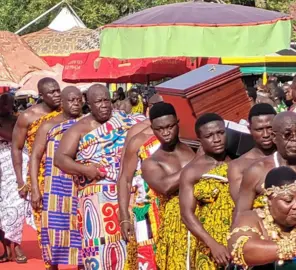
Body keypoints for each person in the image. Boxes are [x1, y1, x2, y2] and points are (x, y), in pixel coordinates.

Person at [54, 84, 145, 269]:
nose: (104, 105)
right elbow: (60, 159)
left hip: (127, 191)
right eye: (98, 102)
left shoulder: (124, 119)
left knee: (131, 240)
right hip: (95, 197)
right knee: (99, 246)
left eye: (106, 100)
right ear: (89, 104)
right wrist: (86, 170)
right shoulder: (80, 128)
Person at [236, 111, 296, 229]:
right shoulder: (257, 171)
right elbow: (240, 216)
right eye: (287, 135)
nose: (295, 141)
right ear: (274, 137)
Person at [29, 87, 84, 269]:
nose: (76, 103)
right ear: (62, 102)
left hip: (80, 185)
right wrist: (35, 189)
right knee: (52, 233)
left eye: (79, 100)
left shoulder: (87, 123)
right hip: (55, 186)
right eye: (71, 100)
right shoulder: (48, 125)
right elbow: (35, 157)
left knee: (81, 231)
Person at [141, 103, 196, 269]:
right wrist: (199, 163)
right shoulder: (151, 162)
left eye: (170, 126)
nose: (166, 133)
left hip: (207, 216)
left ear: (177, 123)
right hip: (176, 224)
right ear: (152, 129)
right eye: (160, 129)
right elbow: (165, 186)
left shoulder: (194, 147)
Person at [11, 77, 62, 257]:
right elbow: (16, 148)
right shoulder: (27, 116)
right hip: (40, 173)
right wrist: (20, 181)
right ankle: (50, 259)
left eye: (58, 90)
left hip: (66, 172)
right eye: (52, 92)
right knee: (43, 218)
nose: (57, 95)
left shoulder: (68, 112)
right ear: (41, 95)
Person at [179, 113, 233, 269]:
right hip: (208, 243)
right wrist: (212, 244)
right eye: (209, 135)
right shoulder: (192, 171)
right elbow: (186, 214)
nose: (217, 139)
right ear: (200, 140)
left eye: (220, 133)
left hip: (239, 238)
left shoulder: (239, 161)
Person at [117, 106, 161, 269]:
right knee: (146, 261)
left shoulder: (180, 137)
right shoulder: (138, 139)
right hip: (145, 212)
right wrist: (124, 216)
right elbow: (125, 178)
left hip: (172, 210)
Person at [0, 94, 29, 264]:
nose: (4, 105)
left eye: (7, 102)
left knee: (13, 207)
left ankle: (16, 246)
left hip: (12, 166)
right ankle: (6, 248)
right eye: (1, 102)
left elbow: (14, 138)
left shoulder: (17, 120)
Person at [228, 103, 277, 202]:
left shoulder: (289, 155)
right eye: (259, 129)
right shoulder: (238, 166)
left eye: (270, 128)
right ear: (249, 129)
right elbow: (242, 205)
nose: (266, 134)